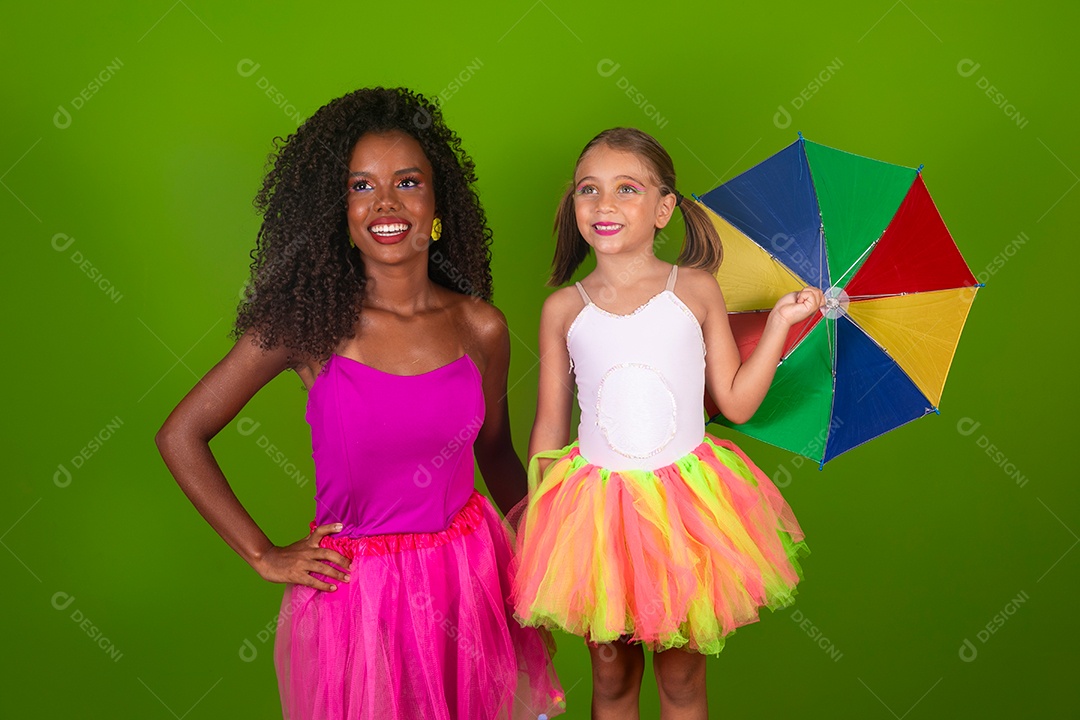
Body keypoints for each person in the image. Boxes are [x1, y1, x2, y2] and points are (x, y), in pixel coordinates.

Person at [156, 87, 563, 720]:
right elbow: (181, 433)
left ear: (436, 203)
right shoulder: (308, 325)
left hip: (468, 581)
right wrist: (263, 554)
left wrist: (546, 550)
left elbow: (495, 451)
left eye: (407, 181)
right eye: (360, 186)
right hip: (357, 599)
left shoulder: (480, 326)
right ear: (338, 209)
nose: (386, 203)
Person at [512, 127, 822, 719]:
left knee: (681, 680)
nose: (604, 204)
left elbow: (734, 403)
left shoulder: (697, 291)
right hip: (594, 517)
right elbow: (549, 427)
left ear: (663, 209)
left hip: (685, 511)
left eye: (626, 189)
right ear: (573, 206)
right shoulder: (564, 309)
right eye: (588, 190)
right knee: (611, 681)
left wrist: (780, 323)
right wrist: (540, 523)